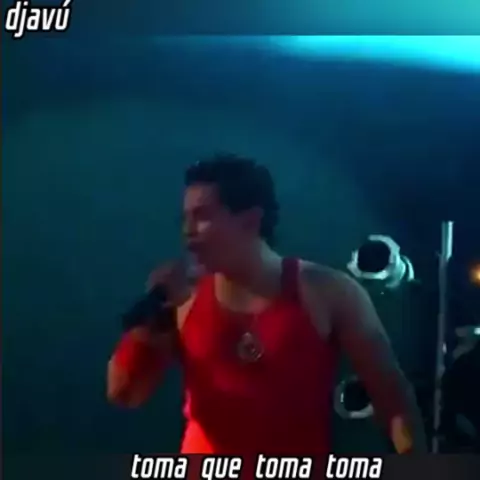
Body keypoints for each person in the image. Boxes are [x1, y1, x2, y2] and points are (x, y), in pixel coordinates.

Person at [107, 153, 427, 454]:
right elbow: (124, 393)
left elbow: (393, 398)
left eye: (202, 216)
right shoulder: (181, 298)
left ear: (250, 221)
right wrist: (154, 316)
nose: (187, 231)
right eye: (185, 218)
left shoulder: (328, 291)